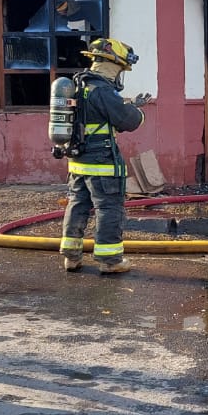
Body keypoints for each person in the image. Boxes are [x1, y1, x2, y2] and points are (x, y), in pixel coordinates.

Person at [58, 38, 150, 275]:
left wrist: (128, 104)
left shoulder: (78, 86)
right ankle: (110, 261)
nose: (120, 74)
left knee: (77, 205)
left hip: (78, 162)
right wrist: (137, 111)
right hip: (102, 163)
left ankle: (71, 257)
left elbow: (98, 120)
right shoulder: (102, 90)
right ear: (112, 64)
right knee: (109, 208)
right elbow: (128, 121)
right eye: (120, 68)